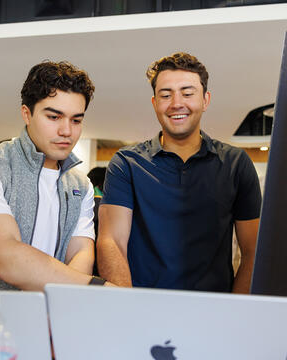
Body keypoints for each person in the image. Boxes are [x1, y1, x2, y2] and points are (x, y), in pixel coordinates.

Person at [97, 52, 261, 294]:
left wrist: (235, 312)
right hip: (144, 307)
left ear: (205, 100)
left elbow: (254, 250)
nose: (176, 103)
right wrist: (127, 309)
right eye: (165, 95)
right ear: (154, 103)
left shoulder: (236, 163)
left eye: (187, 93)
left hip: (212, 309)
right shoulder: (126, 163)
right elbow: (111, 242)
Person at [0, 61, 112, 291]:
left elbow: (81, 254)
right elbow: (6, 257)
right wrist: (99, 287)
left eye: (76, 120)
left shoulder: (82, 185)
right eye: (54, 117)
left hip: (53, 321)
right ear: (27, 114)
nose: (66, 131)